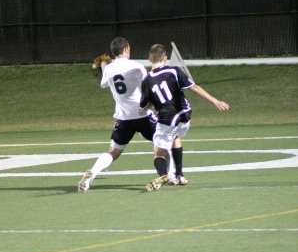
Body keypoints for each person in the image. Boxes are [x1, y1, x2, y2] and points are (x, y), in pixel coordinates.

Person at [140, 43, 230, 192]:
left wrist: (153, 107)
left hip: (167, 119)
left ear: (149, 58)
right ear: (165, 58)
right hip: (184, 115)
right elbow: (194, 87)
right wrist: (215, 101)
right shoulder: (174, 71)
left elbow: (144, 104)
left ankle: (164, 175)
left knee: (159, 153)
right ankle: (180, 175)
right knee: (175, 136)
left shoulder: (147, 80)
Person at [78, 37, 158, 193]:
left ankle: (93, 172)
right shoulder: (136, 66)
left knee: (113, 152)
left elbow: (103, 84)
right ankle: (172, 174)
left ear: (114, 52)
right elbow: (149, 86)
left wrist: (103, 64)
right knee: (164, 141)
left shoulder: (109, 69)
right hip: (143, 114)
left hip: (123, 118)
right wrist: (154, 105)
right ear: (127, 48)